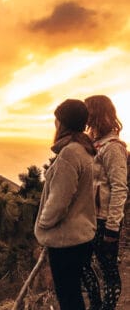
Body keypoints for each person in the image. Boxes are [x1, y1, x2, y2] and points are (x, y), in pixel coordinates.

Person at [36, 99, 97, 309]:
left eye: (57, 120)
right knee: (74, 296)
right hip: (81, 237)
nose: (55, 124)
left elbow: (59, 201)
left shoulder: (70, 153)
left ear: (63, 123)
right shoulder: (84, 149)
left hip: (66, 241)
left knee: (69, 298)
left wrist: (43, 224)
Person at [80, 95, 128, 310]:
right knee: (81, 264)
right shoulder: (94, 145)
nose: (85, 117)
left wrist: (112, 227)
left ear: (97, 113)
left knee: (108, 270)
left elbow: (119, 188)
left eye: (88, 112)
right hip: (88, 218)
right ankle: (96, 305)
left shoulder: (113, 148)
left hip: (104, 220)